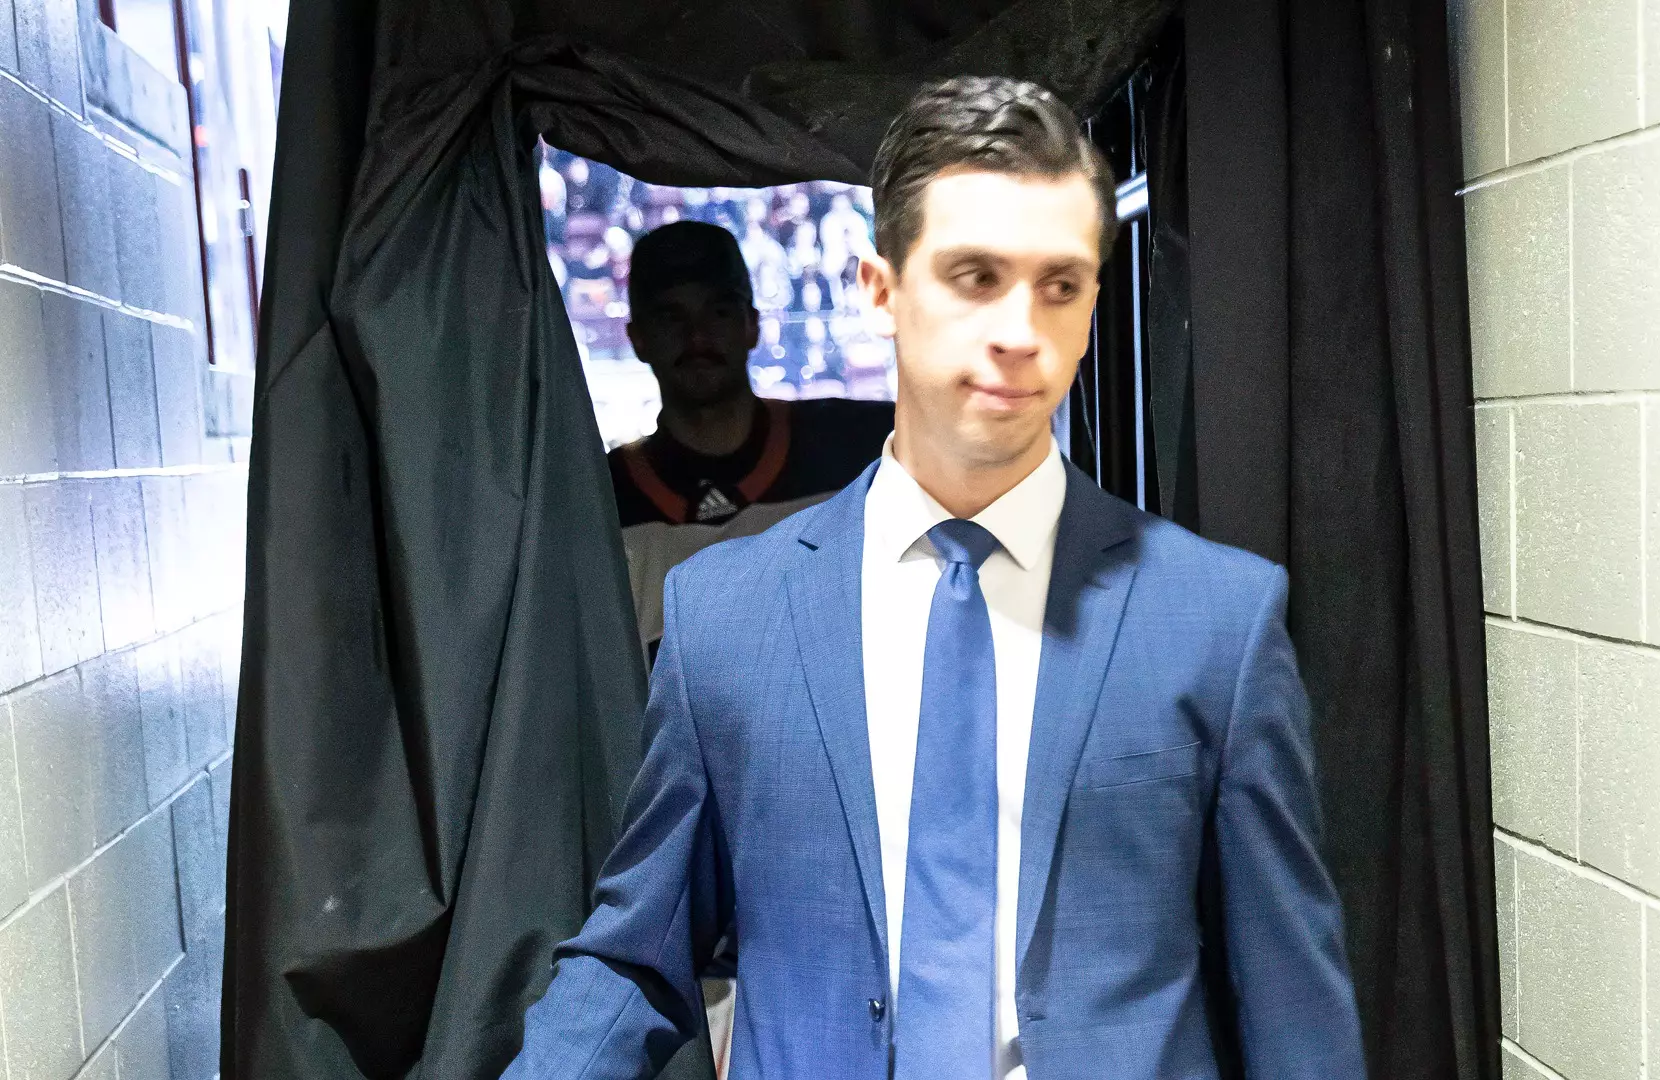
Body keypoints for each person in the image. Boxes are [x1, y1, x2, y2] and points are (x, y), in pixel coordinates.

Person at [509, 76, 1364, 1080]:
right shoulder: (727, 621)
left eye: (1059, 285)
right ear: (880, 290)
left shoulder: (1215, 619)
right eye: (973, 277)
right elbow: (635, 959)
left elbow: (1294, 1010)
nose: (1018, 330)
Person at [606, 220, 893, 528]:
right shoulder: (604, 496)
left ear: (752, 325)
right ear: (638, 339)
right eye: (670, 318)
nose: (697, 336)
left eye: (718, 313)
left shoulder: (862, 441)